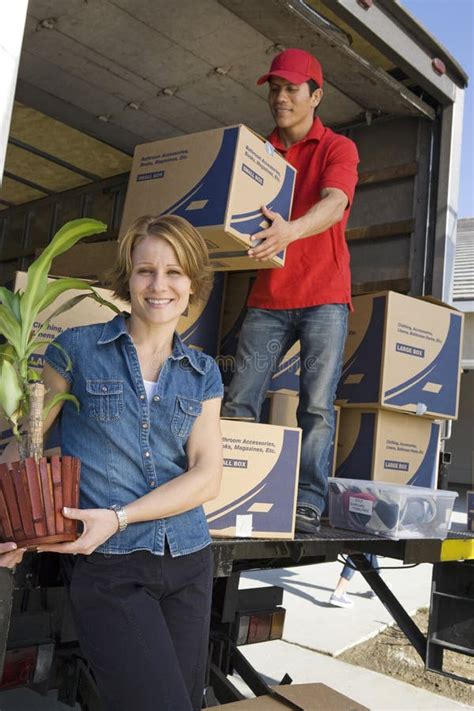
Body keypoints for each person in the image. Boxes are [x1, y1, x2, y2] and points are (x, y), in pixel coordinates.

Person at [36, 214, 224, 711]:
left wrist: (123, 515)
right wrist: (14, 526)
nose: (159, 286)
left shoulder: (203, 372)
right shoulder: (75, 350)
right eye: (146, 271)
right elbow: (25, 442)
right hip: (109, 566)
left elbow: (208, 475)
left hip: (188, 560)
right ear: (128, 277)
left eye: (174, 272)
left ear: (192, 283)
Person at [222, 48, 359, 533]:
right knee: (241, 396)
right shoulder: (260, 151)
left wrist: (288, 232)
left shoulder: (337, 148)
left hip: (324, 298)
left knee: (317, 406)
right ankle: (232, 484)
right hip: (268, 300)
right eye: (274, 88)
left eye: (292, 89)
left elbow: (336, 203)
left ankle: (307, 499)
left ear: (315, 96)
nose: (281, 97)